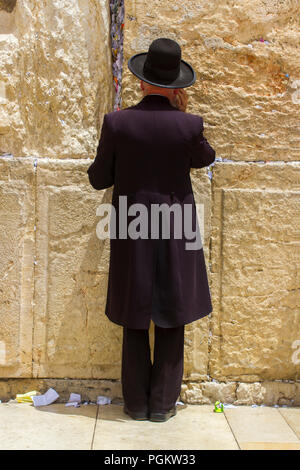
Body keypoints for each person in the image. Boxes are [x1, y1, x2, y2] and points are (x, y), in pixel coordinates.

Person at [87, 38, 216, 422]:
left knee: (134, 312)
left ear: (142, 82)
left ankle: (136, 404)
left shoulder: (118, 123)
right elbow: (205, 158)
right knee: (172, 312)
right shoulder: (189, 125)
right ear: (177, 86)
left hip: (131, 226)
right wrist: (185, 114)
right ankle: (161, 406)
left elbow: (98, 179)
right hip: (176, 227)